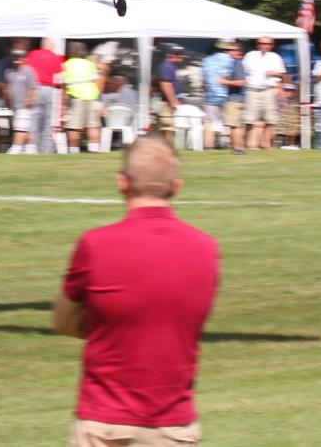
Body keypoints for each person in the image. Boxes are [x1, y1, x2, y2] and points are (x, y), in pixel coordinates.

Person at [54, 137, 219, 446]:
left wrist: (109, 329)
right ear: (176, 186)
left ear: (122, 183)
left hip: (103, 422)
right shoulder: (205, 249)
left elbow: (62, 321)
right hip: (173, 425)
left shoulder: (95, 244)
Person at [242, 37, 287, 151]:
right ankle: (251, 144)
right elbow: (243, 71)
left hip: (269, 90)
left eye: (267, 43)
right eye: (262, 43)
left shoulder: (275, 57)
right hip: (252, 90)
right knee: (250, 119)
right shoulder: (250, 55)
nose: (264, 45)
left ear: (272, 45)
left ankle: (266, 144)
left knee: (271, 119)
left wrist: (274, 74)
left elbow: (283, 75)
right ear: (258, 44)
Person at [200, 40, 244, 151]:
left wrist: (221, 83)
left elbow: (203, 82)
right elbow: (241, 82)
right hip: (228, 97)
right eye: (229, 50)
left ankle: (212, 148)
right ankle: (236, 148)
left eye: (233, 50)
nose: (230, 52)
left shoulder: (208, 61)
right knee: (233, 124)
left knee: (212, 123)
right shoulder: (232, 62)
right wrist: (223, 82)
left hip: (220, 97)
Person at [62, 42, 106, 153]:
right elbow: (98, 81)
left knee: (74, 127)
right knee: (93, 125)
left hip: (76, 98)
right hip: (92, 97)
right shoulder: (89, 64)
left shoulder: (66, 65)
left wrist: (63, 102)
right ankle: (94, 150)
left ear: (70, 52)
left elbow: (63, 85)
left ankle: (73, 151)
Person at [26, 38, 66, 153]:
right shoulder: (57, 57)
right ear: (51, 45)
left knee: (34, 120)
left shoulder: (33, 54)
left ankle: (32, 148)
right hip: (51, 90)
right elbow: (60, 78)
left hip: (36, 89)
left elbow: (27, 70)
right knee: (49, 122)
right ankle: (46, 151)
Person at [2, 42, 40, 154]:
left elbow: (33, 88)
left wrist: (29, 100)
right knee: (24, 127)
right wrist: (7, 100)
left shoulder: (28, 70)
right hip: (14, 105)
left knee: (20, 127)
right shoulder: (9, 72)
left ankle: (16, 147)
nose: (16, 59)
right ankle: (30, 147)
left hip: (25, 105)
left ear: (24, 58)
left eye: (19, 56)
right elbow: (8, 88)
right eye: (15, 56)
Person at [154, 45, 183, 145]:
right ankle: (166, 149)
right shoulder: (166, 66)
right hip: (166, 103)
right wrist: (173, 101)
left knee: (166, 128)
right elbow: (165, 84)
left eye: (180, 54)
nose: (179, 56)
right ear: (168, 54)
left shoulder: (171, 66)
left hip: (169, 102)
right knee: (168, 126)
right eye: (176, 54)